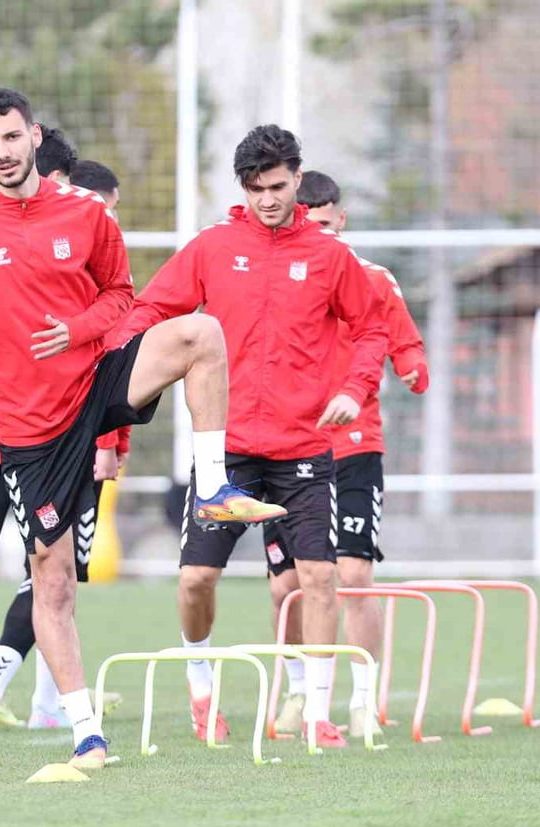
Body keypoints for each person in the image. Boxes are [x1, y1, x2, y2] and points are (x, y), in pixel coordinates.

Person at [0, 88, 285, 768]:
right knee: (51, 581)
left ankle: (211, 485)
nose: (1, 152)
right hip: (32, 425)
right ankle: (86, 729)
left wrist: (80, 330)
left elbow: (122, 294)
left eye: (10, 138)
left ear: (33, 137)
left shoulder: (86, 213)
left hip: (95, 376)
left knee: (201, 332)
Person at [114, 126, 387, 749]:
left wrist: (352, 388)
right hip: (227, 451)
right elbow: (149, 311)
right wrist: (127, 370)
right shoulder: (213, 247)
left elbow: (370, 330)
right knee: (194, 582)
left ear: (297, 179)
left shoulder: (329, 256)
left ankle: (318, 712)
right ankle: (202, 690)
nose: (268, 198)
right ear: (244, 188)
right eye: (256, 188)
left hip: (303, 450)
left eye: (279, 185)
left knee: (319, 578)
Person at [268, 171, 429, 739]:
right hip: (290, 444)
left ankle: (362, 698)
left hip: (356, 443)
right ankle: (295, 692)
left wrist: (410, 364)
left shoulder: (373, 278)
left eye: (326, 218)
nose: (319, 228)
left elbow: (398, 335)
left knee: (354, 574)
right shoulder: (281, 275)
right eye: (306, 219)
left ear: (342, 219)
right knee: (286, 585)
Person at [0, 158, 129, 731]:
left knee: (59, 577)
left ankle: (48, 702)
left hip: (68, 429)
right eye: (104, 209)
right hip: (53, 436)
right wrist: (109, 442)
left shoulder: (90, 263)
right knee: (52, 575)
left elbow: (112, 352)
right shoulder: (44, 253)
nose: (107, 222)